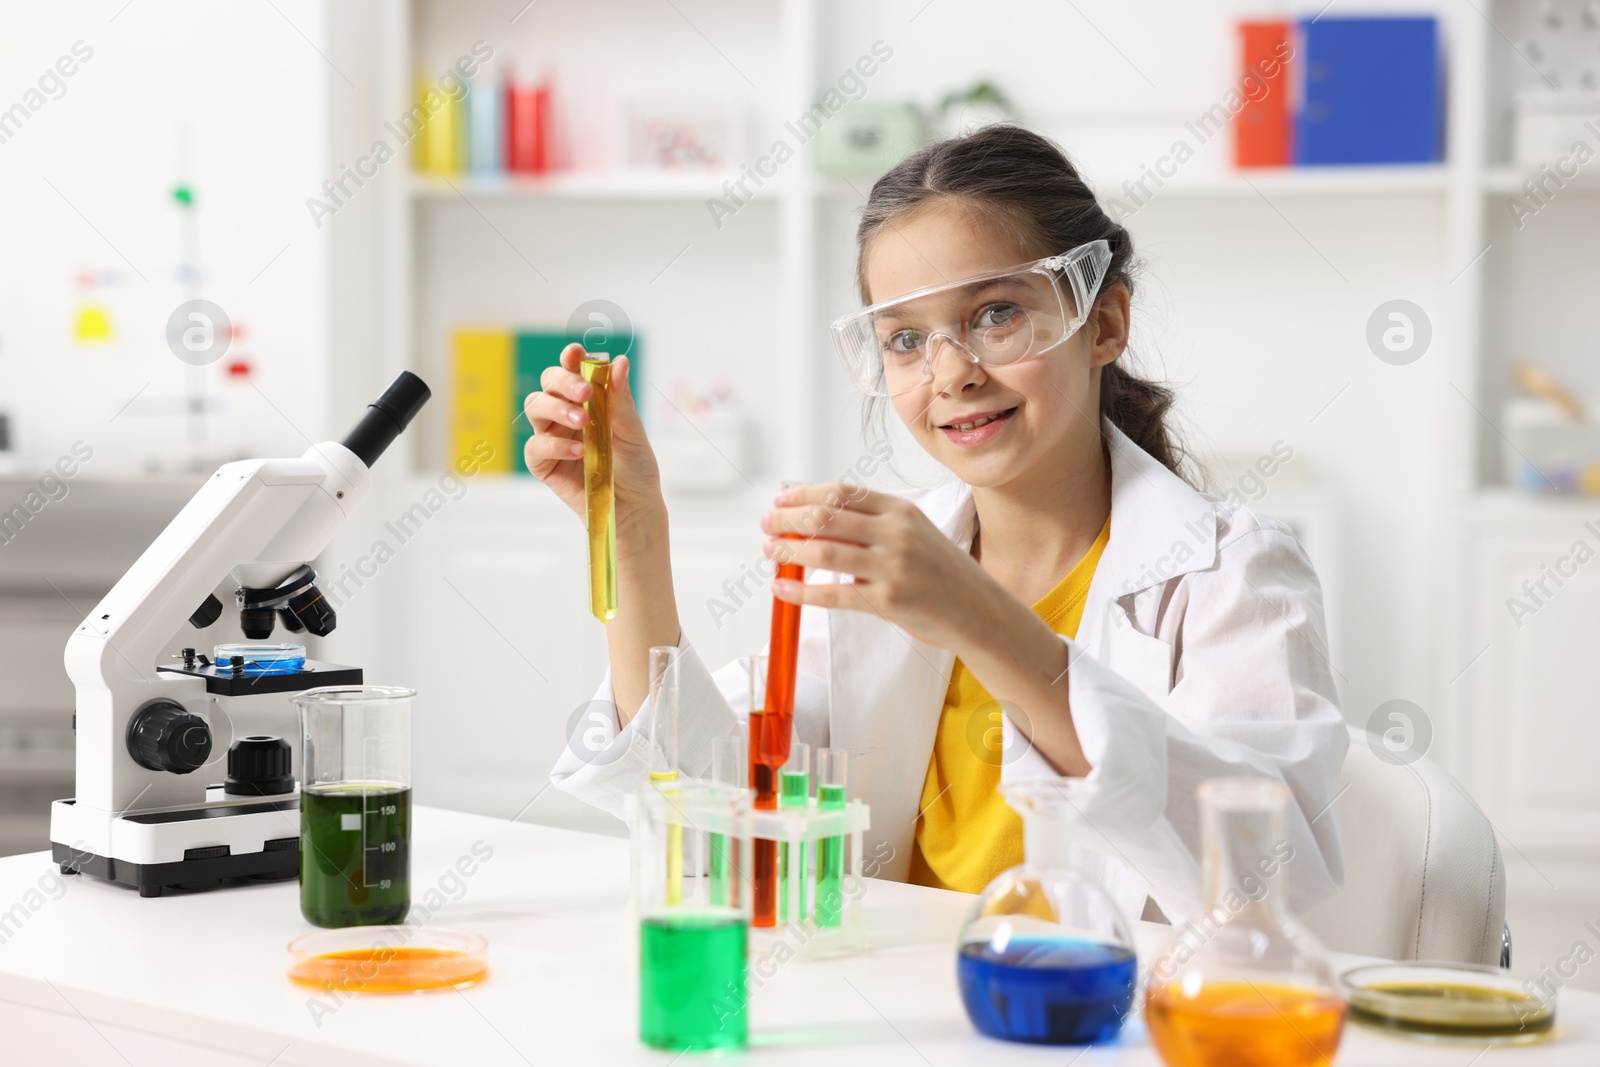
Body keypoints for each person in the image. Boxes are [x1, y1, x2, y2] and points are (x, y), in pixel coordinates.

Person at [531, 125, 1346, 923]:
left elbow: (1267, 888)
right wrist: (633, 531)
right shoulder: (878, 568)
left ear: (1103, 324)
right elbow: (712, 817)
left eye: (996, 314)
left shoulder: (1232, 572)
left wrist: (976, 615)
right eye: (907, 339)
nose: (951, 371)